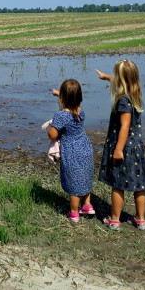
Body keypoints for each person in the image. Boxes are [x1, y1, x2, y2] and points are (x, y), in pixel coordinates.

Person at [96, 60, 145, 231]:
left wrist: (118, 149)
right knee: (139, 186)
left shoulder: (123, 100)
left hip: (124, 147)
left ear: (120, 79)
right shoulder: (136, 93)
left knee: (118, 184)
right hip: (137, 147)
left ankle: (114, 220)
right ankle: (140, 220)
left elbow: (125, 126)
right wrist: (106, 77)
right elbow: (123, 80)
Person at [48, 79, 95, 222]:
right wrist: (58, 94)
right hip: (85, 147)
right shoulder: (81, 111)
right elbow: (71, 102)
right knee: (84, 178)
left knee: (74, 182)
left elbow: (53, 134)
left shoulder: (61, 115)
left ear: (63, 98)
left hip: (72, 151)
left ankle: (74, 212)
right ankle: (87, 205)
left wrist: (51, 128)